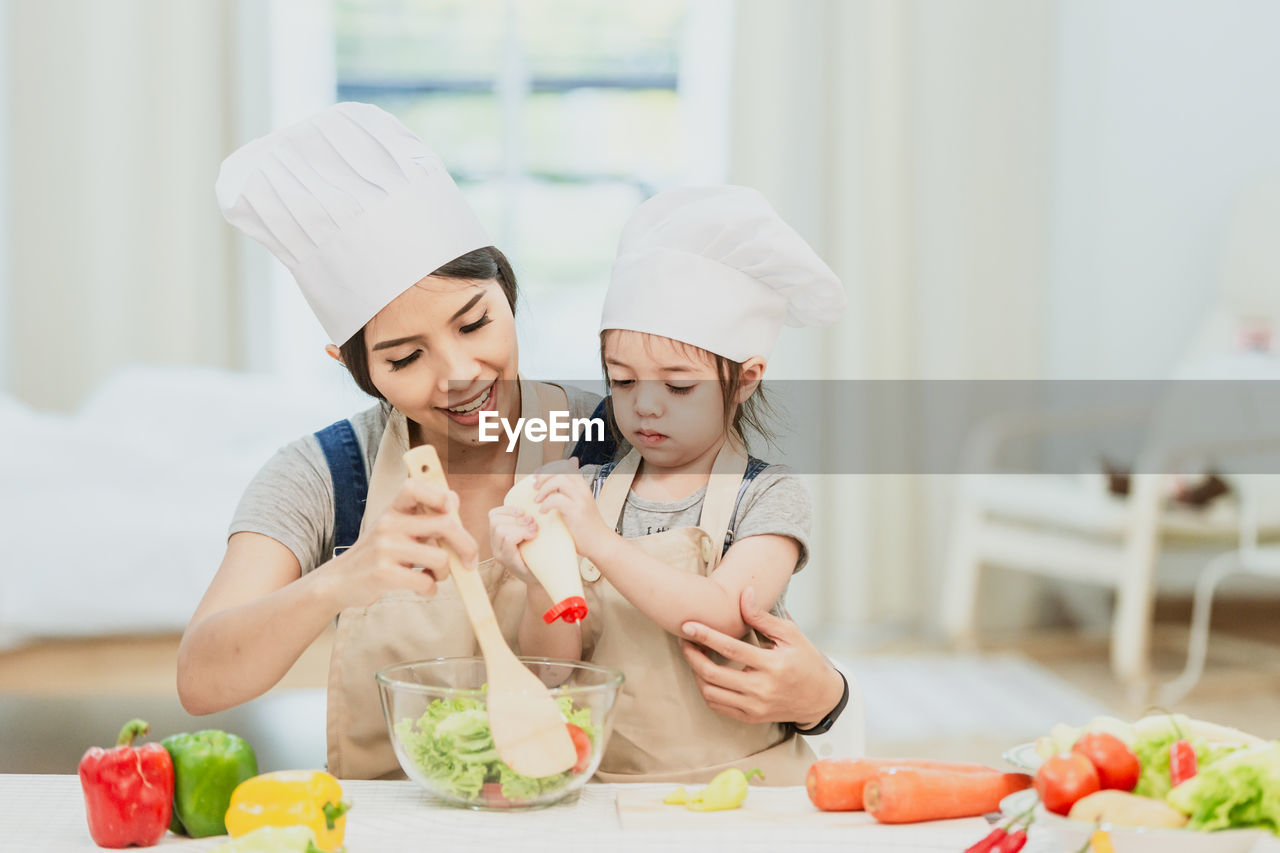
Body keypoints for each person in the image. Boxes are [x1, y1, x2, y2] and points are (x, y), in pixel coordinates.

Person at [178, 102, 850, 780]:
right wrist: (343, 577)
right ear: (352, 365)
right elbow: (201, 679)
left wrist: (823, 693)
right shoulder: (328, 475)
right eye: (406, 359)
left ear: (506, 287)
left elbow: (737, 612)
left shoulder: (623, 440)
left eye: (473, 323)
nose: (460, 374)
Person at [489, 186, 846, 784]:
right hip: (609, 786)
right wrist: (539, 582)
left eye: (678, 387)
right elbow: (551, 672)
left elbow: (721, 615)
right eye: (623, 382)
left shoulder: (768, 495)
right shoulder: (592, 489)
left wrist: (597, 543)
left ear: (746, 379)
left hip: (747, 783)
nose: (644, 407)